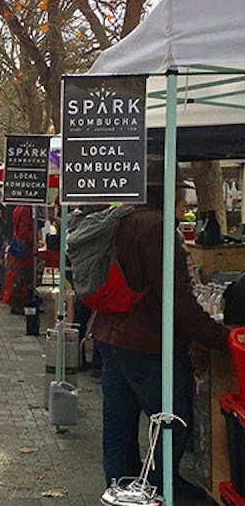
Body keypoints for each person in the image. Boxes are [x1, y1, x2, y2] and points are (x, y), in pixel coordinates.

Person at [93, 164, 229, 500]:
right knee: (172, 422)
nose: (184, 205)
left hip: (111, 333)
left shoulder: (122, 218)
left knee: (119, 422)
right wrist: (221, 337)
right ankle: (160, 488)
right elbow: (177, 301)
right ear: (170, 193)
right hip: (145, 341)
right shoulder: (156, 227)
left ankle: (121, 489)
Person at [8, 205, 34, 315]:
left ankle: (19, 301)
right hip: (26, 248)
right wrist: (32, 239)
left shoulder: (19, 208)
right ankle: (19, 302)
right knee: (24, 274)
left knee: (21, 273)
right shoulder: (26, 209)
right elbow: (24, 230)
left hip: (21, 244)